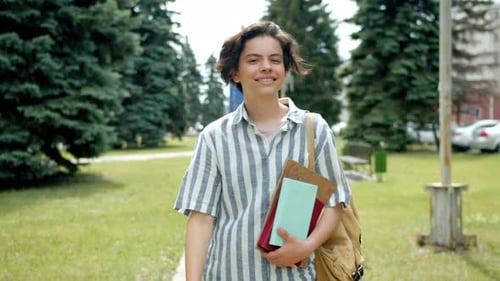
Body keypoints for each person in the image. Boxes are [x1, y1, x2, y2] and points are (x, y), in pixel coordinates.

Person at [173, 21, 351, 281]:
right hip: (228, 274)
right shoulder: (214, 137)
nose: (266, 67)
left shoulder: (314, 129)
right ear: (235, 72)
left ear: (285, 68)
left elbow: (334, 204)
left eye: (275, 59)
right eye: (254, 60)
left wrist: (307, 246)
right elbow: (200, 220)